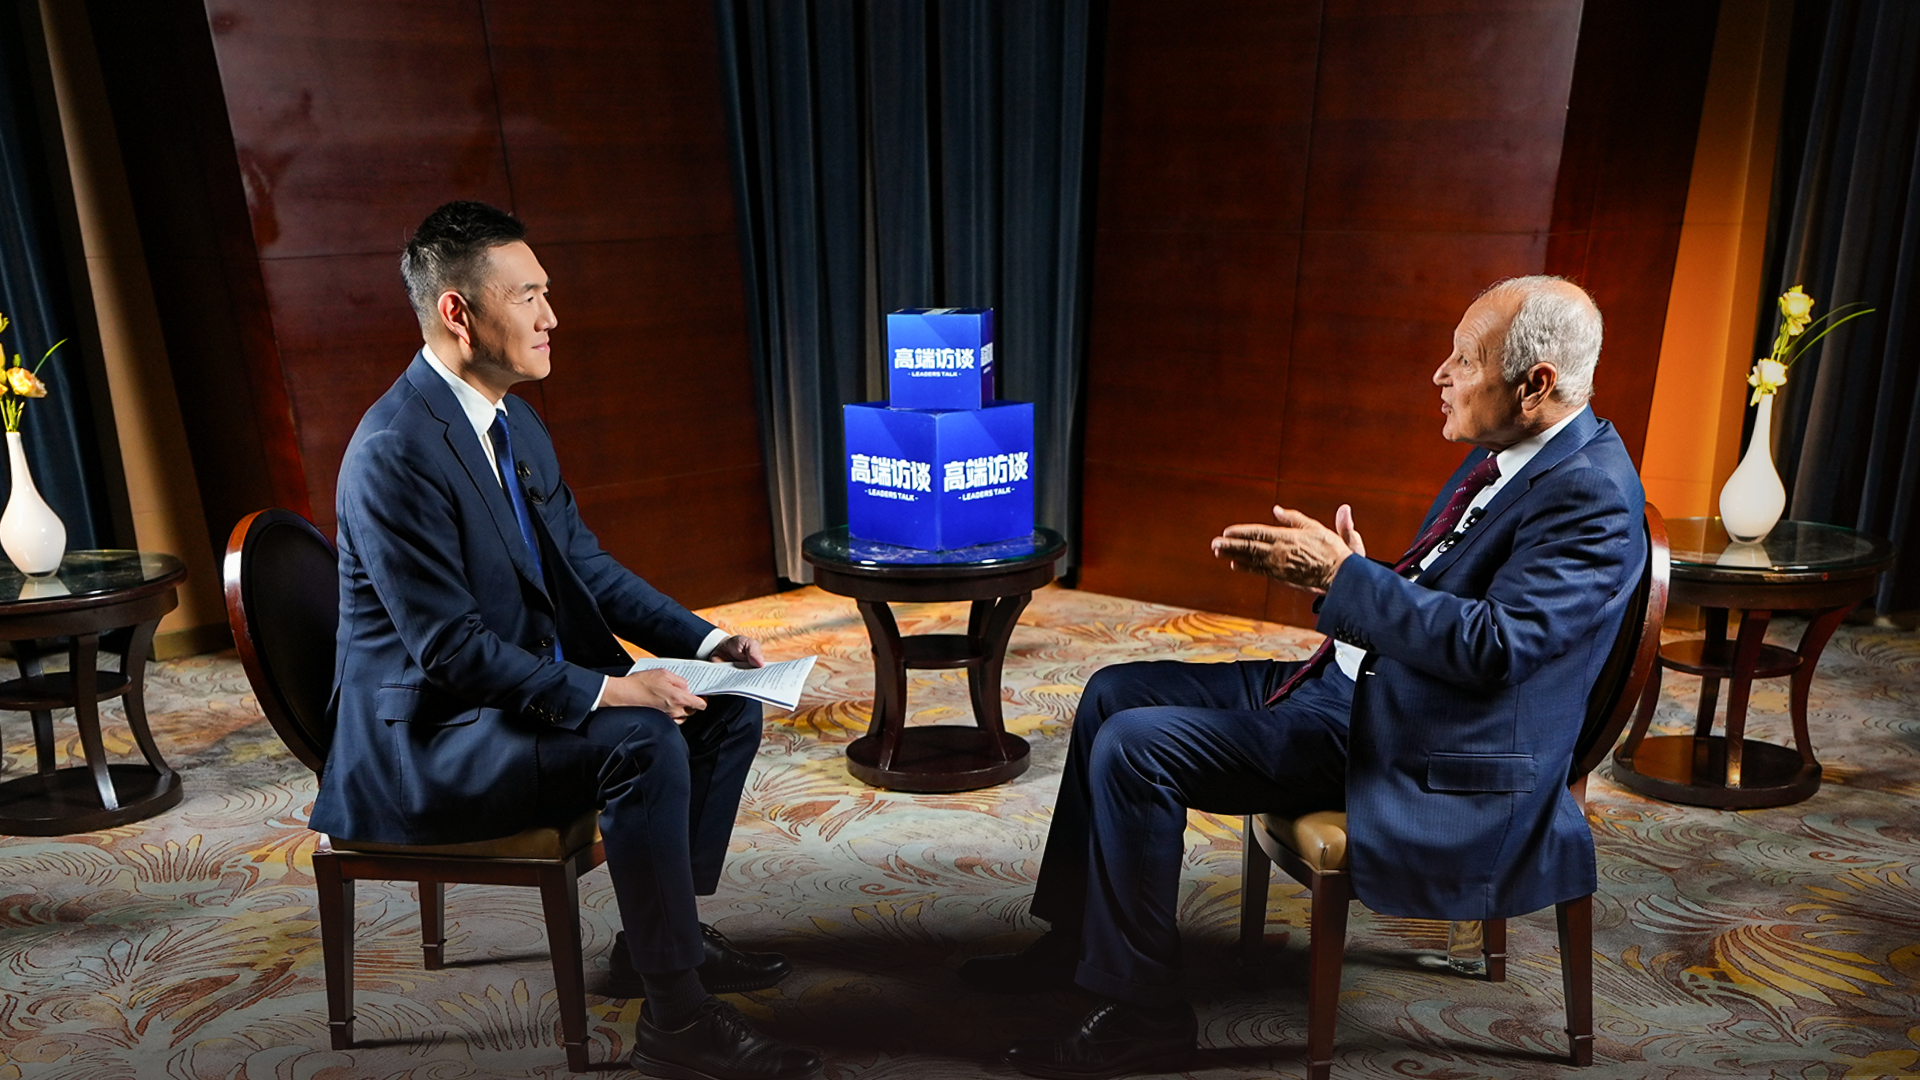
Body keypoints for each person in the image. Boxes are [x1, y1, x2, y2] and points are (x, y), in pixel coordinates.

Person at [961, 276, 1647, 1080]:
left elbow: (1498, 647)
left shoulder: (1591, 494)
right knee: (1114, 690)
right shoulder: (1518, 455)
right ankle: (1079, 941)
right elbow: (1460, 602)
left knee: (1138, 748)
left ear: (1535, 384)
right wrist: (1359, 575)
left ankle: (1144, 1017)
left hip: (1415, 740)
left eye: (1465, 359)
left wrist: (1346, 581)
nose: (1440, 374)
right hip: (1361, 688)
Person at [309, 201, 819, 1080]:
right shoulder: (395, 450)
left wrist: (708, 641)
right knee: (643, 737)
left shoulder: (512, 421)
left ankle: (660, 943)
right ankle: (678, 1020)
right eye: (530, 296)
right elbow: (450, 651)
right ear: (458, 312)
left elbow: (585, 565)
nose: (552, 317)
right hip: (428, 740)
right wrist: (614, 690)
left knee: (725, 709)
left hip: (501, 702)